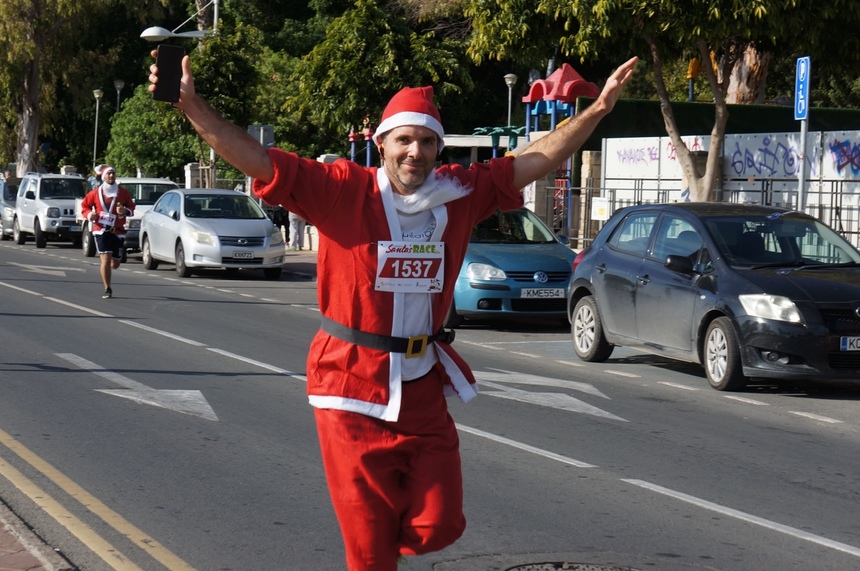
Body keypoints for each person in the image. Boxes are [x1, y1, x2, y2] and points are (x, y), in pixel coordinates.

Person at [149, 51, 637, 570]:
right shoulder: (341, 189)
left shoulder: (459, 192)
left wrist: (598, 110)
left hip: (421, 385)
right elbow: (258, 160)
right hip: (349, 388)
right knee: (370, 554)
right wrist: (193, 107)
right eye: (404, 139)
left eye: (427, 141)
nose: (416, 153)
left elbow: (534, 159)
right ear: (381, 143)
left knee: (440, 524)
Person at [80, 166, 135, 298]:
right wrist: (89, 215)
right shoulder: (95, 193)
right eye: (108, 174)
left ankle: (111, 265)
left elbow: (131, 207)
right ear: (103, 176)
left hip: (118, 231)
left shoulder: (123, 193)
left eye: (113, 174)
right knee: (105, 258)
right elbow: (84, 206)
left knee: (115, 263)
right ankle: (107, 288)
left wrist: (125, 211)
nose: (111, 176)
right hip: (101, 230)